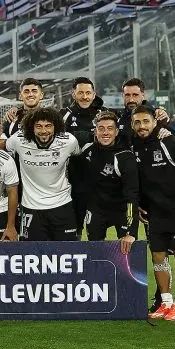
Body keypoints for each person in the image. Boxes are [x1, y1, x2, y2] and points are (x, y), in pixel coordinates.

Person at [131, 105, 175, 321]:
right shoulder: (133, 147)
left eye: (146, 121)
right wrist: (140, 204)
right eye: (137, 122)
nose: (142, 126)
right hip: (154, 214)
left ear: (154, 122)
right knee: (158, 257)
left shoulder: (170, 142)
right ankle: (165, 303)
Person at [2, 107, 88, 241]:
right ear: (31, 127)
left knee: (67, 254)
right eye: (39, 126)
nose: (43, 131)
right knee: (32, 255)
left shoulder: (69, 141)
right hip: (31, 208)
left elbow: (78, 159)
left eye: (48, 126)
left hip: (62, 206)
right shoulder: (19, 139)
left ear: (56, 127)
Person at [80, 111, 139, 252]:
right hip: (96, 210)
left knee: (127, 250)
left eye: (110, 128)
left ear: (117, 132)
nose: (105, 133)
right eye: (101, 129)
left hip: (121, 210)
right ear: (95, 131)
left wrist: (132, 232)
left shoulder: (125, 157)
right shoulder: (87, 150)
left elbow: (132, 194)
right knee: (95, 253)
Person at [62, 77, 106, 237]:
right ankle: (75, 259)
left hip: (100, 182)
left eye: (88, 93)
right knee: (75, 229)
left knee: (97, 229)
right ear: (74, 94)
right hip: (73, 182)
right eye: (80, 92)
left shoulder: (104, 114)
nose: (85, 96)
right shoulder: (64, 115)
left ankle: (99, 260)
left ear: (94, 94)